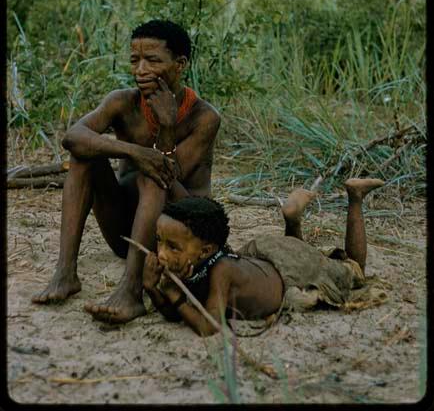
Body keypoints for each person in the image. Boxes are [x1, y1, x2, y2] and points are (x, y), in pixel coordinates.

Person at [32, 19, 221, 324]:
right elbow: (73, 137)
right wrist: (134, 151)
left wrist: (168, 128)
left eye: (153, 61)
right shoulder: (123, 102)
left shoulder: (205, 117)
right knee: (84, 157)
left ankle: (131, 290)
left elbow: (170, 176)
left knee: (154, 174)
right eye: (135, 60)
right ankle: (65, 272)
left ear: (180, 64)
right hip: (127, 235)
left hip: (179, 237)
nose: (141, 70)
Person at [141, 178, 385, 336]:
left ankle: (355, 197)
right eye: (159, 241)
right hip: (266, 254)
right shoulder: (204, 261)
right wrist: (153, 289)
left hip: (282, 270)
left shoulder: (221, 270)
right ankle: (292, 221)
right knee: (298, 254)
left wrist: (172, 292)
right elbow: (179, 313)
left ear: (205, 251)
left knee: (353, 271)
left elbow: (208, 327)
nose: (161, 253)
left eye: (173, 247)